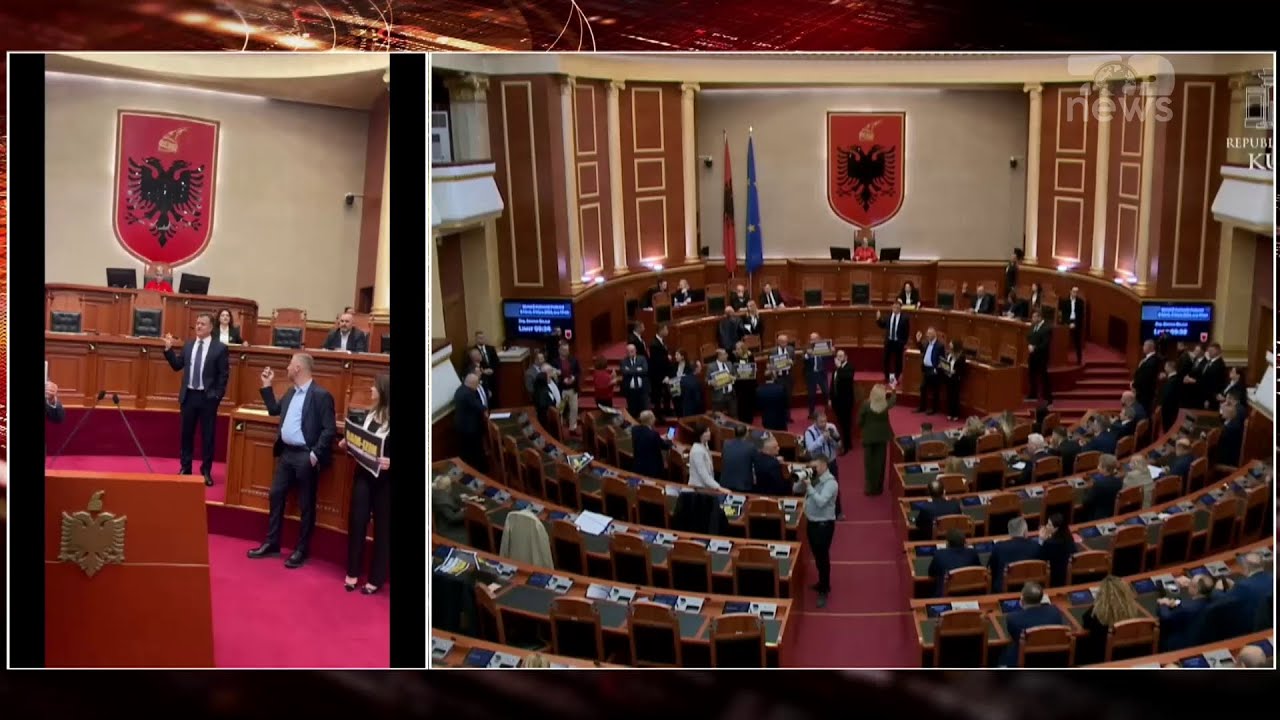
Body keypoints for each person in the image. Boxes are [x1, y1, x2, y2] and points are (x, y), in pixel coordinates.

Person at [248, 354, 337, 569]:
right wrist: (267, 385)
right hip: (287, 454)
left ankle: (301, 549)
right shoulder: (290, 392)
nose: (287, 368)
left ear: (298, 368)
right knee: (276, 494)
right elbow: (274, 410)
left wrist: (314, 455)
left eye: (290, 364)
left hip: (306, 456)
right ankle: (272, 543)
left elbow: (329, 430)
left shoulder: (321, 395)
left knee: (306, 504)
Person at [163, 314, 230, 487]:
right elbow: (177, 365)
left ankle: (206, 471)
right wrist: (169, 350)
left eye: (203, 324)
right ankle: (185, 468)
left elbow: (223, 375)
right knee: (186, 434)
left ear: (211, 328)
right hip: (189, 396)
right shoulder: (189, 345)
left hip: (208, 398)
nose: (198, 326)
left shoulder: (219, 348)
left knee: (208, 436)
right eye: (197, 323)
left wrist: (217, 395)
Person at [340, 373, 390, 594]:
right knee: (357, 521)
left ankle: (376, 579)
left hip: (386, 483)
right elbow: (363, 442)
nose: (371, 390)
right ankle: (353, 572)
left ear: (384, 392)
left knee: (382, 529)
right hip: (363, 475)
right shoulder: (370, 414)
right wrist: (349, 443)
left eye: (374, 387)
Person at [794, 455, 838, 608]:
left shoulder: (831, 483)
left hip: (824, 525)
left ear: (824, 465)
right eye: (811, 467)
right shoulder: (813, 478)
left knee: (822, 557)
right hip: (812, 522)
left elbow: (821, 502)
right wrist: (801, 479)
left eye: (815, 467)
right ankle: (821, 582)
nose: (813, 470)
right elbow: (795, 490)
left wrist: (809, 486)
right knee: (817, 556)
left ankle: (824, 589)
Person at [1076, 575, 1144, 665]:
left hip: (1099, 660)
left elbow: (1085, 621)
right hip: (1128, 659)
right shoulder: (1132, 613)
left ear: (1102, 594)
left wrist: (1097, 604)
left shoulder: (1094, 616)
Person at [1000, 581, 1067, 667]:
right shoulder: (1055, 612)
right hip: (1051, 661)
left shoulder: (1013, 619)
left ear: (1022, 600)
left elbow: (1014, 636)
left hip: (1026, 662)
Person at [1157, 574, 1215, 652]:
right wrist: (1191, 583)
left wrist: (1163, 604)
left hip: (1180, 645)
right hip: (1202, 640)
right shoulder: (1214, 601)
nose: (1188, 585)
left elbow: (1165, 617)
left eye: (1191, 583)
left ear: (1196, 590)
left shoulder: (1186, 608)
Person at [859, 383, 896, 495]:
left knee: (869, 464)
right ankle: (879, 487)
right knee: (880, 463)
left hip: (869, 437)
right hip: (882, 437)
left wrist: (864, 428)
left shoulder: (866, 404)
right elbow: (893, 400)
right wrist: (893, 390)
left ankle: (870, 488)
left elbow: (860, 421)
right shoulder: (885, 405)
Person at [988, 517, 1040, 591]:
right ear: (1025, 532)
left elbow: (992, 569)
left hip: (1004, 590)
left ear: (1010, 533)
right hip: (1031, 589)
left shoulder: (998, 547)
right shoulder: (1036, 546)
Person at [927, 529, 982, 597]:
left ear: (948, 543)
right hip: (970, 595)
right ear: (964, 543)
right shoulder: (973, 553)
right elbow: (979, 572)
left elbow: (931, 573)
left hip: (946, 596)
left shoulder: (939, 554)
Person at [453, 372, 489, 472]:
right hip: (470, 428)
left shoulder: (460, 390)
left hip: (461, 426)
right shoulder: (468, 394)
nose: (477, 387)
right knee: (476, 450)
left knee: (467, 451)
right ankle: (481, 471)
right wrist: (485, 409)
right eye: (477, 384)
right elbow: (478, 406)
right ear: (472, 383)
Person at [1036, 513, 1074, 586]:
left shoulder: (1050, 544)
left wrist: (1041, 539)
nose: (1046, 526)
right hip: (1065, 575)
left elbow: (1039, 558)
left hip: (1053, 578)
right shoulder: (1068, 537)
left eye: (1049, 525)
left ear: (1056, 529)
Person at [1082, 454, 1124, 520]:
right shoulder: (1119, 481)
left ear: (1105, 469)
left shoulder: (1099, 485)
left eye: (1099, 465)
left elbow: (1086, 502)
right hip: (1111, 512)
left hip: (1098, 516)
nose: (1098, 467)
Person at [830, 350, 856, 454]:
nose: (839, 358)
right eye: (837, 356)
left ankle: (846, 446)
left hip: (846, 402)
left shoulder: (849, 367)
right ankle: (848, 443)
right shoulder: (836, 369)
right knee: (841, 423)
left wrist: (839, 367)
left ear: (846, 357)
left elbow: (847, 378)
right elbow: (832, 384)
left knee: (846, 424)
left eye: (841, 356)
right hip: (837, 401)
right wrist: (830, 398)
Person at [876, 301, 909, 382]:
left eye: (897, 307)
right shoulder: (889, 316)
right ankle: (886, 377)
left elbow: (906, 331)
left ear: (900, 308)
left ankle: (897, 377)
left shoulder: (904, 318)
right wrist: (878, 319)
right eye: (894, 307)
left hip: (898, 342)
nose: (895, 309)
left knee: (898, 360)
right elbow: (883, 325)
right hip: (889, 341)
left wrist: (903, 342)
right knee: (886, 359)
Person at [629, 411, 668, 479]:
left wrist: (659, 438)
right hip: (651, 469)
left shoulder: (634, 430)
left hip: (638, 465)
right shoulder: (653, 434)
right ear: (651, 420)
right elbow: (665, 446)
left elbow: (645, 437)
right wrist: (669, 441)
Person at [914, 327, 943, 415]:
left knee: (934, 390)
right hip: (926, 370)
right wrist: (918, 341)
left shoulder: (939, 345)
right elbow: (922, 350)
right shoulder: (927, 343)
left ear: (934, 335)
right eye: (927, 333)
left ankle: (934, 409)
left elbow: (942, 359)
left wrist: (937, 369)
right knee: (923, 387)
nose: (927, 335)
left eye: (929, 333)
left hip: (934, 370)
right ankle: (922, 407)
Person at [1026, 310, 1052, 404]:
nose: (1032, 319)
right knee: (1031, 375)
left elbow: (1045, 344)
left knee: (1043, 376)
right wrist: (1029, 345)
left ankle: (1048, 397)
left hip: (1041, 356)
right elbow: (1029, 336)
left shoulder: (1046, 328)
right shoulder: (1034, 326)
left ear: (1039, 317)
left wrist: (1035, 348)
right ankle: (1033, 394)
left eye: (1034, 317)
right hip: (1033, 356)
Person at [719, 425, 756, 492]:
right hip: (743, 486)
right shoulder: (751, 447)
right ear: (746, 434)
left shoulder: (726, 443)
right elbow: (756, 462)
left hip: (725, 483)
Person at [555, 342, 582, 429]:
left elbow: (578, 372)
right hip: (562, 391)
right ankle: (560, 428)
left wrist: (574, 377)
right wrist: (562, 380)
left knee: (574, 409)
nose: (566, 352)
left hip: (572, 389)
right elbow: (554, 376)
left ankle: (572, 428)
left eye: (567, 350)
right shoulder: (555, 362)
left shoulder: (574, 360)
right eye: (564, 350)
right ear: (559, 350)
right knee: (561, 410)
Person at [803, 332, 830, 415]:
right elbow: (804, 359)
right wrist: (807, 355)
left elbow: (829, 358)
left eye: (815, 339)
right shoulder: (807, 347)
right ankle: (811, 413)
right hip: (811, 374)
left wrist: (832, 351)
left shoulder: (824, 347)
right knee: (811, 395)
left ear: (819, 339)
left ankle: (829, 411)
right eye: (812, 339)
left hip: (821, 373)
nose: (813, 340)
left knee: (826, 392)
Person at [620, 343, 650, 418]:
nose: (630, 353)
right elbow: (624, 372)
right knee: (632, 412)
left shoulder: (642, 359)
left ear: (636, 350)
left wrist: (630, 370)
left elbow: (645, 370)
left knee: (644, 411)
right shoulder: (624, 361)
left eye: (632, 351)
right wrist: (638, 369)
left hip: (642, 390)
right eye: (628, 351)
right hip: (630, 391)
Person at [687, 423, 720, 491]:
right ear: (701, 435)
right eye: (706, 431)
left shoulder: (705, 445)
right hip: (698, 488)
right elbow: (703, 474)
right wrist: (719, 488)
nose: (709, 433)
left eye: (709, 431)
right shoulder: (697, 451)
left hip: (706, 486)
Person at [648, 326, 672, 418]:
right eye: (666, 329)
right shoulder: (654, 344)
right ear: (661, 330)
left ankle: (667, 411)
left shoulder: (661, 341)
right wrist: (667, 358)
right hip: (658, 375)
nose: (667, 331)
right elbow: (657, 361)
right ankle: (658, 415)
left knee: (667, 394)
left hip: (664, 373)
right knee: (658, 396)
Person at [1132, 339, 1160, 416]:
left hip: (1145, 394)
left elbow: (1144, 378)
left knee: (1143, 413)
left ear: (1149, 347)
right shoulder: (1149, 359)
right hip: (1144, 392)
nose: (1143, 347)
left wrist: (1135, 385)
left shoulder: (1152, 361)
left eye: (1144, 345)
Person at [1058, 286, 1085, 365]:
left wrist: (1075, 324)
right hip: (1067, 323)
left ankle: (1079, 359)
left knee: (1077, 342)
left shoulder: (1080, 302)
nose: (1075, 293)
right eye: (1073, 291)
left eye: (1076, 292)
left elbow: (1081, 316)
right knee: (1063, 341)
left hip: (1076, 323)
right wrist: (1068, 323)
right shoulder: (1065, 301)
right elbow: (1063, 315)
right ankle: (1062, 359)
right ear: (1070, 291)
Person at [942, 339, 967, 421]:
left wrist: (955, 371)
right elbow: (947, 364)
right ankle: (949, 413)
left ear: (955, 345)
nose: (949, 344)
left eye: (951, 343)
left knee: (955, 397)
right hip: (948, 378)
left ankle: (955, 414)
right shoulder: (949, 354)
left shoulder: (961, 356)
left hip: (956, 379)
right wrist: (945, 367)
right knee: (949, 396)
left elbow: (962, 369)